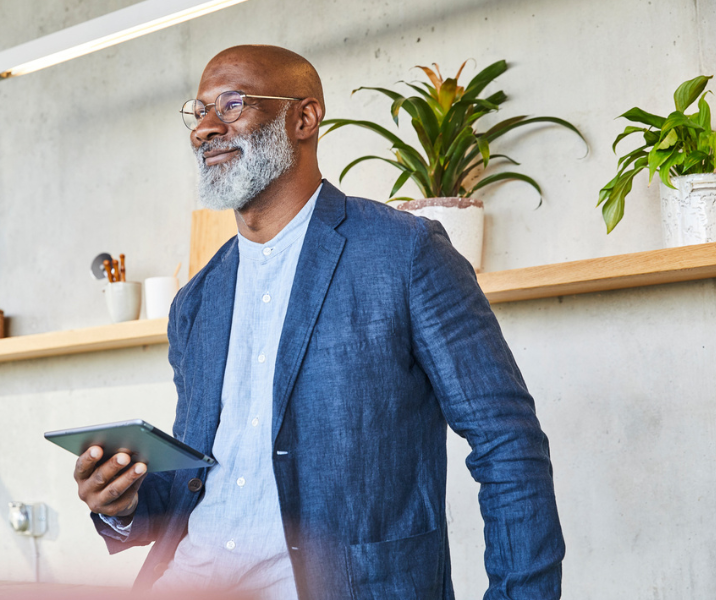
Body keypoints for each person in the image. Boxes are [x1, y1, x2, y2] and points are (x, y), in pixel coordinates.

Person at [73, 45, 564, 599]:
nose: (205, 129)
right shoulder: (197, 300)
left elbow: (508, 444)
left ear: (303, 118)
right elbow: (204, 480)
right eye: (199, 112)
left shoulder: (405, 254)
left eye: (232, 105)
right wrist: (124, 503)